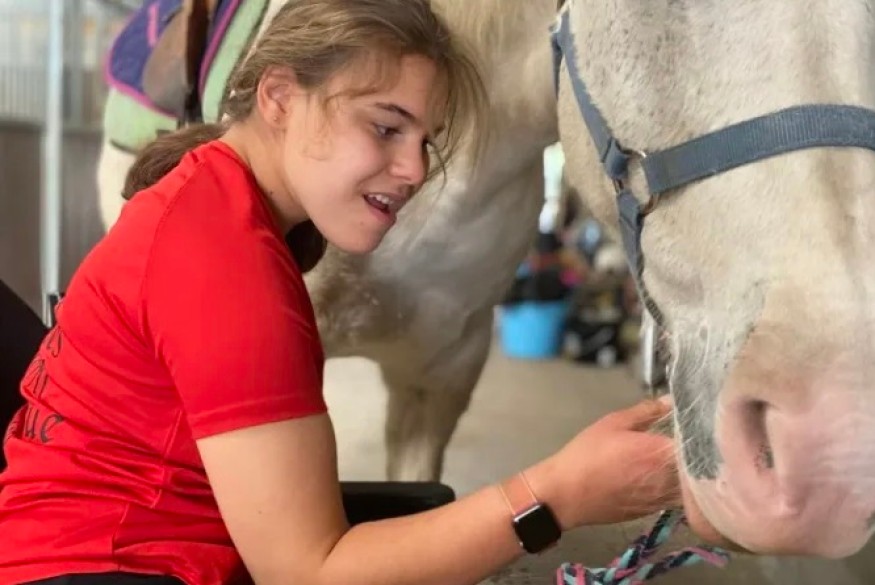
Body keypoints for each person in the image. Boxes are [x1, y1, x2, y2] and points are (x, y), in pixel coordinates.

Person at [0, 1, 682, 583]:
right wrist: (559, 493)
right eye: (385, 126)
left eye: (426, 141)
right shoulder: (226, 264)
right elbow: (308, 572)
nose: (414, 169)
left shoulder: (214, 206)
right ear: (277, 97)